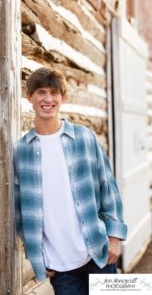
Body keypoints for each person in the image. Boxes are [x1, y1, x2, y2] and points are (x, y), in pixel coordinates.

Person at [13, 67, 127, 295]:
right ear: (30, 98)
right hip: (60, 266)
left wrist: (114, 237)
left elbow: (108, 189)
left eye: (54, 93)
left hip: (98, 252)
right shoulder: (20, 151)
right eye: (41, 92)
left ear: (63, 98)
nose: (48, 99)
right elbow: (20, 212)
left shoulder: (84, 138)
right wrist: (37, 256)